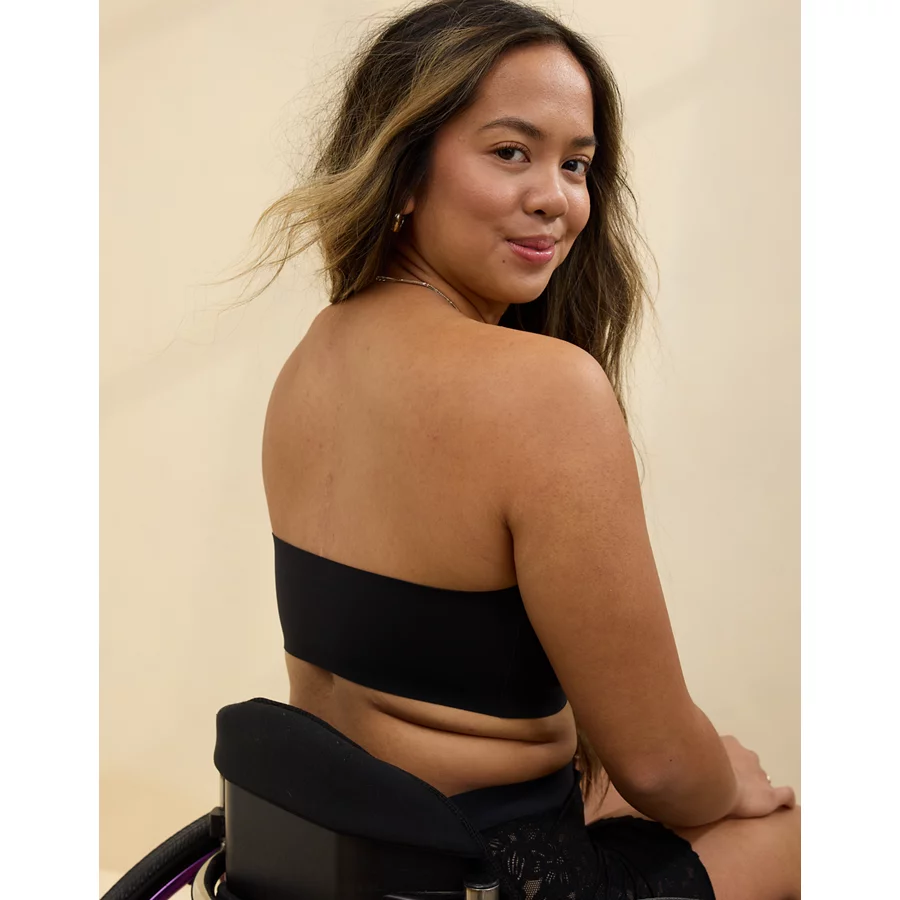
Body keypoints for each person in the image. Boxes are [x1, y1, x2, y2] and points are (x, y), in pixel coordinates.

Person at [227, 1, 800, 897]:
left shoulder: (317, 353)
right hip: (483, 875)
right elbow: (660, 765)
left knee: (609, 786)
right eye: (510, 152)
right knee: (806, 836)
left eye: (576, 164)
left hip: (336, 856)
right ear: (404, 169)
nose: (555, 198)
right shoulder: (546, 389)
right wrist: (729, 781)